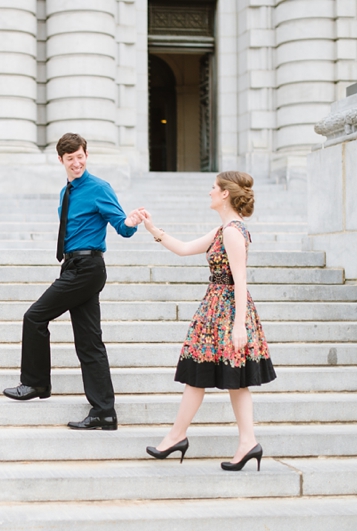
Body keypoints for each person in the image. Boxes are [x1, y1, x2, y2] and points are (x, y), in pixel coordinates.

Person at [3, 133, 146, 431]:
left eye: (80, 156)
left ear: (86, 155)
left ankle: (35, 384)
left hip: (87, 267)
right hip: (74, 266)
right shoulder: (65, 192)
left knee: (34, 316)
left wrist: (131, 222)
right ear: (61, 160)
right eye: (71, 159)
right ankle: (104, 412)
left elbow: (122, 227)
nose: (77, 162)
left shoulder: (99, 188)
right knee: (89, 342)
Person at [141, 171, 276, 470]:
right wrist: (153, 228)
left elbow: (240, 280)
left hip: (226, 311)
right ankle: (244, 442)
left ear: (225, 193)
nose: (210, 191)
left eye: (214, 187)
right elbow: (185, 248)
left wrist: (239, 324)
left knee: (210, 376)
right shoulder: (222, 230)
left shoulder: (232, 232)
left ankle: (182, 436)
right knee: (225, 379)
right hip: (216, 310)